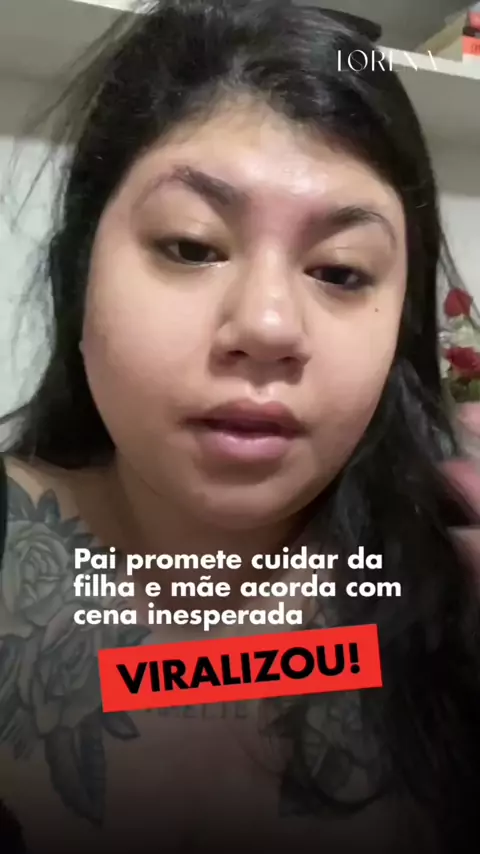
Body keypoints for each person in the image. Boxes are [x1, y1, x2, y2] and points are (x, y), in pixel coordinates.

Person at [1, 0, 480, 852]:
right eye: (192, 247)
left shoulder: (453, 595)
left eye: (340, 271)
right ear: (80, 276)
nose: (266, 325)